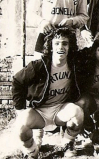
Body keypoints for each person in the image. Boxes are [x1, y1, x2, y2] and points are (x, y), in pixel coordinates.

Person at [12, 28, 84, 158]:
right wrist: (20, 109)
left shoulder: (74, 64)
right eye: (56, 43)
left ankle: (67, 145)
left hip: (60, 110)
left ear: (70, 46)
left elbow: (94, 51)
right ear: (50, 46)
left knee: (77, 113)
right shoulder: (39, 65)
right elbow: (17, 81)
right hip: (39, 112)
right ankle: (32, 151)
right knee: (20, 127)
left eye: (65, 43)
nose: (61, 47)